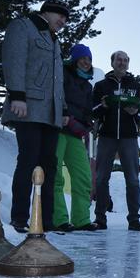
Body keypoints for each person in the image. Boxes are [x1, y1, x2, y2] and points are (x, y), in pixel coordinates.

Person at [1, 0, 68, 233]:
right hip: (28, 107)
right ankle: (19, 217)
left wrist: (64, 110)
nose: (63, 21)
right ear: (47, 12)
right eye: (60, 15)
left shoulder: (54, 39)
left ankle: (45, 220)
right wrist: (17, 95)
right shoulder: (24, 27)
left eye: (66, 18)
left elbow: (57, 80)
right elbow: (14, 60)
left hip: (51, 114)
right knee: (28, 160)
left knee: (49, 166)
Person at [91, 50, 140, 231]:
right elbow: (92, 111)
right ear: (112, 62)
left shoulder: (137, 86)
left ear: (128, 64)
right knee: (101, 178)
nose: (122, 63)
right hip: (107, 136)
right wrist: (104, 106)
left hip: (129, 138)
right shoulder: (101, 86)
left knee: (132, 179)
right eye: (119, 60)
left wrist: (135, 113)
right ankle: (100, 218)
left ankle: (134, 219)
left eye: (125, 60)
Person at [53, 43, 97, 232]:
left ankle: (81, 219)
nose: (86, 62)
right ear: (74, 59)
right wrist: (67, 117)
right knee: (55, 176)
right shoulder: (62, 74)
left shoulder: (88, 86)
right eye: (83, 58)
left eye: (89, 59)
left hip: (75, 134)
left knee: (83, 176)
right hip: (58, 129)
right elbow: (57, 97)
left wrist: (86, 126)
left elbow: (88, 111)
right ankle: (59, 219)